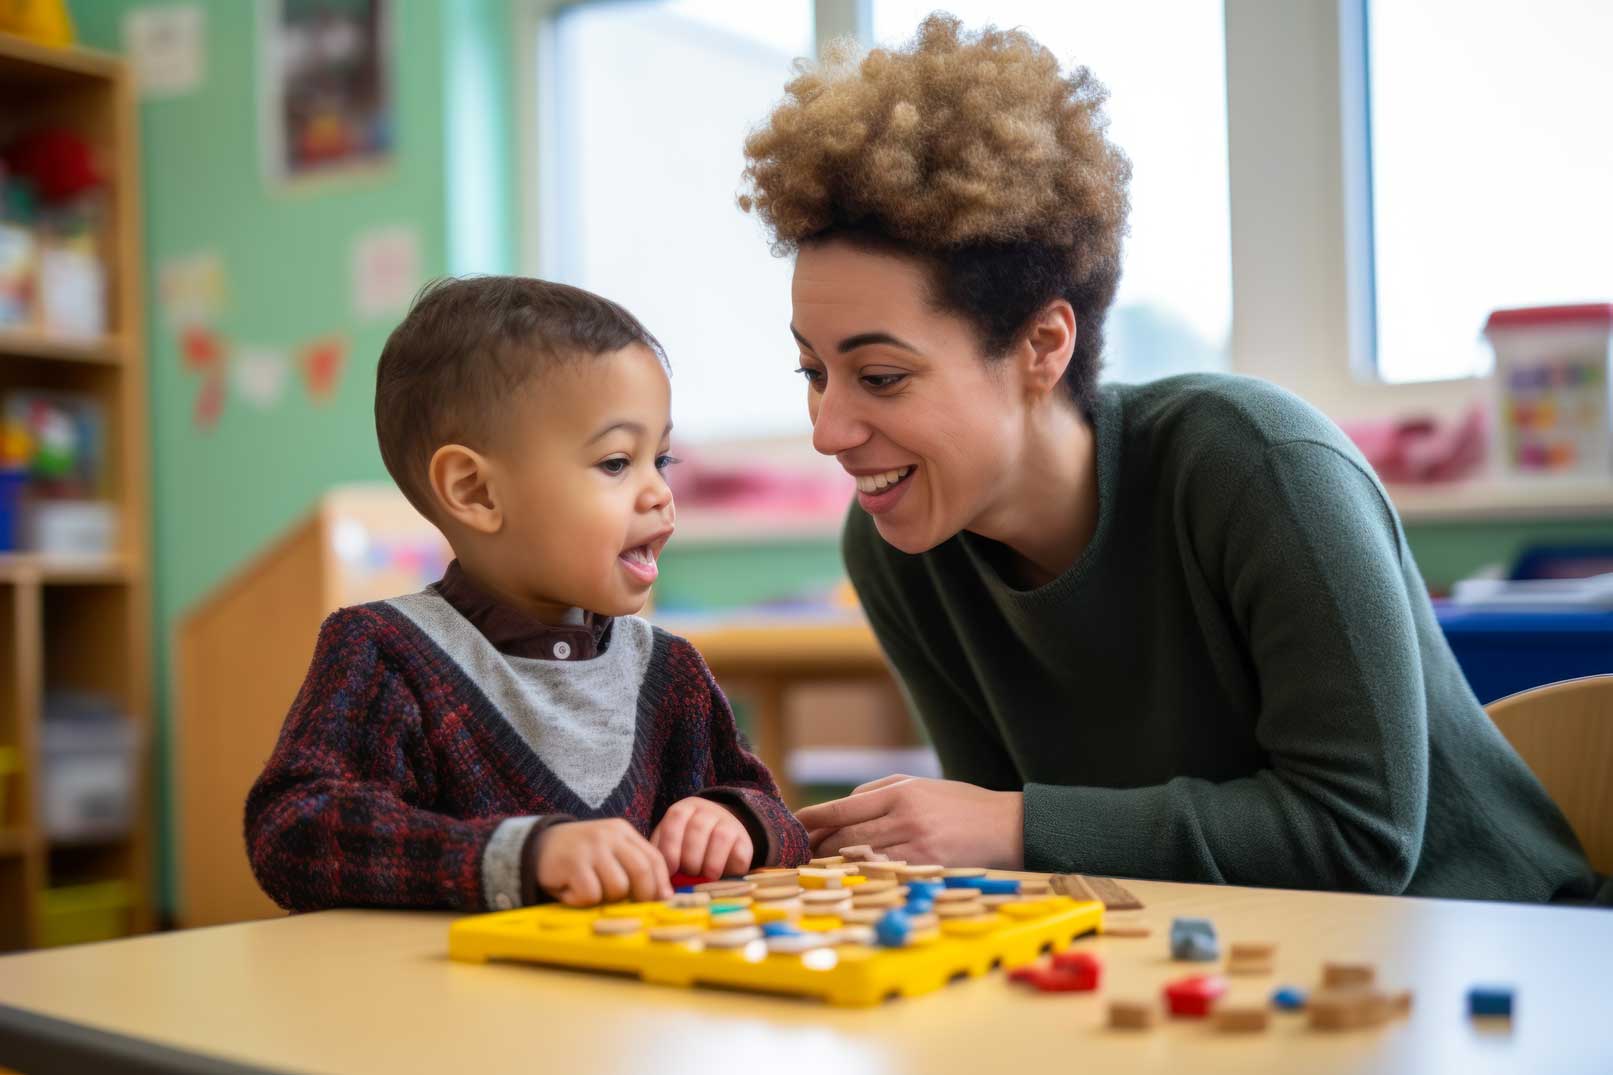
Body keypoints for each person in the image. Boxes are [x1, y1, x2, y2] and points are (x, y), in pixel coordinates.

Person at [741, 16, 1601, 902]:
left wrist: (1010, 825)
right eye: (814, 372)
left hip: (1507, 940)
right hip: (1234, 956)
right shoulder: (896, 544)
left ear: (1042, 345)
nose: (827, 430)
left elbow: (1358, 836)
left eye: (881, 377)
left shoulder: (1259, 465)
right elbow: (1020, 872)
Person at [246, 276, 810, 912]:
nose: (659, 493)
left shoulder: (670, 670)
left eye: (662, 460)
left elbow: (777, 817)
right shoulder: (384, 652)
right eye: (616, 463)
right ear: (476, 491)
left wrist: (735, 819)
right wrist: (522, 856)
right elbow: (292, 833)